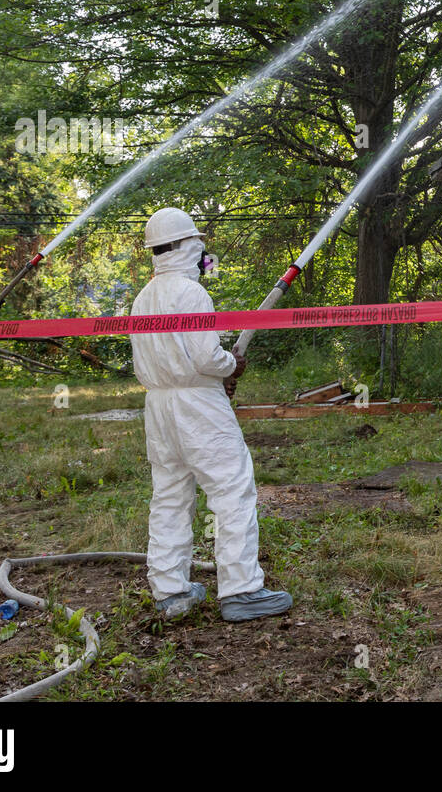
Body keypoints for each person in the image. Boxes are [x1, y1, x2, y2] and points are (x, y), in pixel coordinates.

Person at [130, 207, 292, 622]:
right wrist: (229, 366)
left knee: (169, 494)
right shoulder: (191, 293)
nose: (204, 255)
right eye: (199, 246)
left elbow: (150, 362)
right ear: (187, 246)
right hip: (197, 406)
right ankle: (241, 590)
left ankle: (170, 591)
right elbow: (205, 356)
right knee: (231, 488)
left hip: (159, 405)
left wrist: (217, 370)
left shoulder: (142, 298)